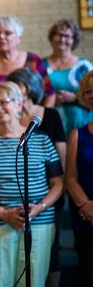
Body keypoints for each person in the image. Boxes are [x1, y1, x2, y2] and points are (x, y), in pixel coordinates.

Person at [0, 81, 63, 287]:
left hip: (39, 222)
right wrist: (2, 213)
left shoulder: (42, 140)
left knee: (34, 282)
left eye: (3, 102)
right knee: (3, 282)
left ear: (19, 104)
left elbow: (58, 183)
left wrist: (40, 207)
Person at [7, 68, 67, 287]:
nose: (14, 93)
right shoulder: (6, 115)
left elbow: (61, 159)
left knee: (51, 254)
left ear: (30, 88)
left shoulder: (50, 115)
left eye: (19, 87)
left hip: (48, 195)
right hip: (13, 201)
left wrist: (47, 197)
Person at [0, 15, 56, 107]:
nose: (1, 37)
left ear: (19, 38)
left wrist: (40, 119)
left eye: (7, 33)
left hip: (31, 118)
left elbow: (49, 94)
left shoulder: (33, 60)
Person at [64, 71, 93, 286]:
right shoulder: (76, 134)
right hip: (85, 216)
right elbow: (70, 178)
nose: (92, 95)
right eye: (88, 91)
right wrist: (87, 207)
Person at [42, 19, 93, 134]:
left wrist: (75, 98)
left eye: (68, 36)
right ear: (52, 37)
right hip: (52, 124)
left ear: (74, 40)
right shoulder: (41, 66)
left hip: (82, 123)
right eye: (59, 35)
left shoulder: (84, 66)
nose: (62, 39)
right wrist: (51, 99)